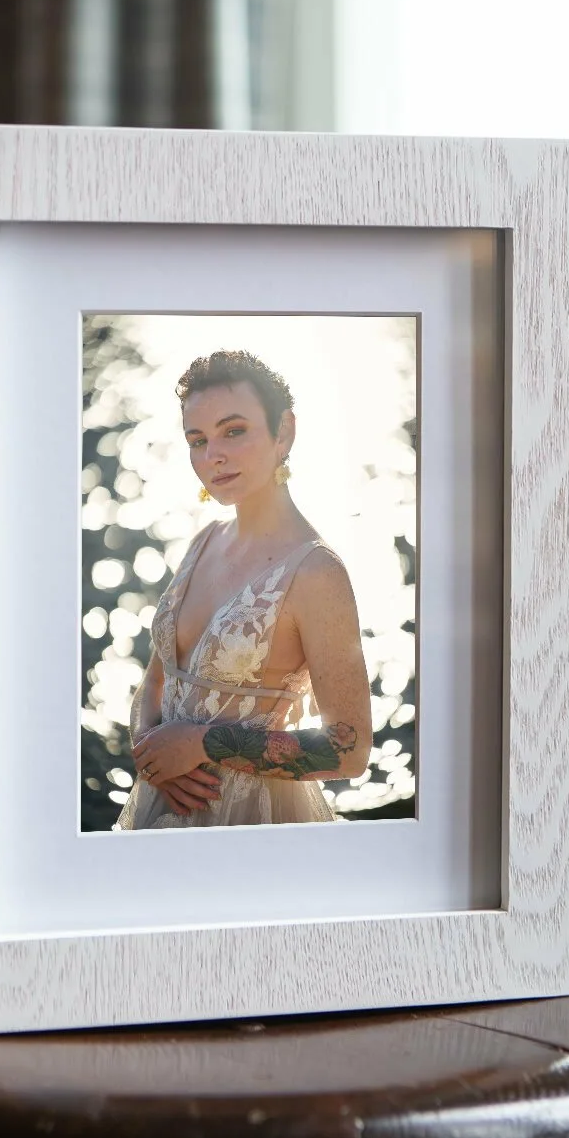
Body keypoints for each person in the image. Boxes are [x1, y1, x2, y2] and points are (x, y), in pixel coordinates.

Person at [117, 349, 372, 830]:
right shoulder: (204, 542)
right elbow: (155, 681)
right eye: (198, 439)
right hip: (156, 805)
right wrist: (150, 753)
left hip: (252, 820)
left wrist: (201, 744)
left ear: (284, 432)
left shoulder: (317, 573)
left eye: (234, 431)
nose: (213, 455)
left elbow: (350, 751)